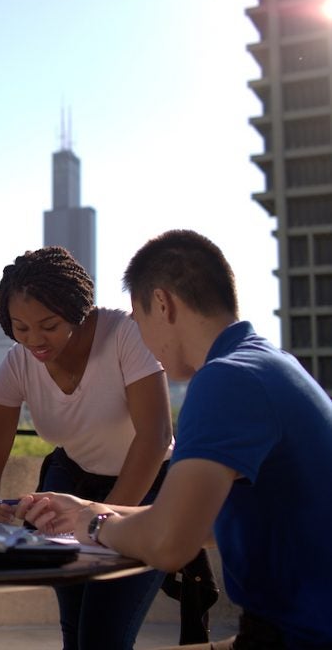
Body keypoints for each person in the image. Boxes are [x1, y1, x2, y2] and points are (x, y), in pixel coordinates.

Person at [17, 230, 332, 650]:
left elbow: (169, 546)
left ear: (162, 304)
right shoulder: (269, 364)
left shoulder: (226, 379)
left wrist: (93, 524)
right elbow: (193, 523)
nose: (142, 339)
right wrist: (92, 508)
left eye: (138, 319)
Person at [0, 246, 175, 650]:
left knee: (103, 635)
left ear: (77, 309)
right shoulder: (17, 363)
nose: (35, 341)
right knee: (75, 630)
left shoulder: (125, 334)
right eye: (20, 328)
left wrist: (102, 522)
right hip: (70, 480)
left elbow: (155, 436)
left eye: (49, 325)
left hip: (147, 483)